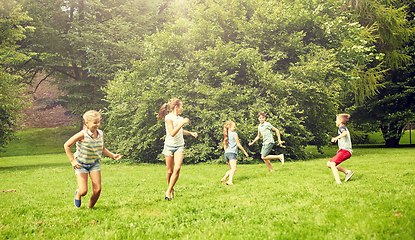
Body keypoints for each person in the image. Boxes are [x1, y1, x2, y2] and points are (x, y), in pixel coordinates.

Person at [64, 110, 121, 208]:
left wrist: (113, 155)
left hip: (94, 164)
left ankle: (90, 208)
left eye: (98, 122)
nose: (97, 124)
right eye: (95, 122)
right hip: (81, 164)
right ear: (86, 123)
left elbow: (102, 149)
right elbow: (67, 145)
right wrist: (72, 161)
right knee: (83, 191)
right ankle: (78, 193)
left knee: (97, 190)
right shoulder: (82, 134)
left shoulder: (100, 133)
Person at [157, 98, 198, 200]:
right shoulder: (168, 118)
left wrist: (190, 133)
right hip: (169, 146)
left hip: (179, 146)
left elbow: (180, 131)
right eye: (182, 107)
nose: (183, 109)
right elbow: (172, 132)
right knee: (170, 171)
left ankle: (168, 190)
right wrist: (182, 123)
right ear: (176, 107)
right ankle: (170, 189)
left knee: (178, 168)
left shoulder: (180, 119)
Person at [327, 114, 354, 184]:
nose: (335, 121)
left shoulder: (342, 128)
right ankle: (347, 172)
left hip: (345, 150)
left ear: (341, 121)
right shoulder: (342, 128)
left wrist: (336, 138)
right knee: (329, 163)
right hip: (343, 150)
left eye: (336, 120)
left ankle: (338, 182)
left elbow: (344, 133)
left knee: (332, 164)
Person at [221, 121, 249, 185]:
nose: (234, 128)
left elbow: (225, 145)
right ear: (229, 127)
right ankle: (230, 181)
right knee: (234, 168)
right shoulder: (234, 134)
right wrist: (245, 152)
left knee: (232, 169)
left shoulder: (226, 135)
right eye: (233, 127)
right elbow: (238, 144)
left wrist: (226, 152)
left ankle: (224, 178)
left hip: (227, 153)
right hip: (232, 153)